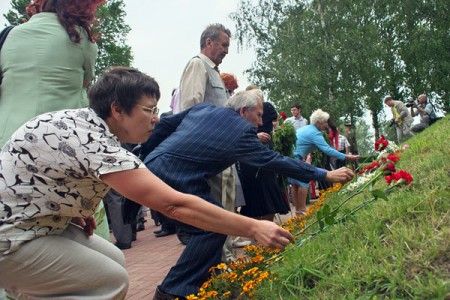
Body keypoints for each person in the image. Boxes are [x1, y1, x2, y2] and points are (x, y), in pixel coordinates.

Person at [0, 67, 295, 299]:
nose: (155, 119)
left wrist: (70, 211)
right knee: (108, 282)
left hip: (34, 224)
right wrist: (254, 227)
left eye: (156, 110)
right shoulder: (96, 142)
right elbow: (174, 204)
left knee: (114, 259)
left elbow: (41, 169)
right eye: (148, 110)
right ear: (117, 109)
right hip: (11, 239)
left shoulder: (79, 123)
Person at [137, 90, 355, 299]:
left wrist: (145, 159)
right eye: (258, 115)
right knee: (213, 226)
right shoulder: (242, 132)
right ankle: (172, 292)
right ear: (243, 111)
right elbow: (275, 161)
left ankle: (203, 285)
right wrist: (324, 174)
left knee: (214, 225)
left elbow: (163, 126)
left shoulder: (203, 109)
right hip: (177, 176)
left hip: (154, 168)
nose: (261, 122)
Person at [0, 0, 100, 147]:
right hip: (57, 140)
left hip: (7, 136)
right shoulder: (83, 40)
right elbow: (85, 82)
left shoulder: (10, 35)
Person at [177, 24, 237, 256]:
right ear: (209, 42)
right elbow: (191, 107)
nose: (226, 51)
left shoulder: (214, 72)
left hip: (224, 151)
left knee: (227, 205)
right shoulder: (197, 65)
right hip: (211, 151)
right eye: (224, 45)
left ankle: (228, 260)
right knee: (217, 209)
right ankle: (221, 267)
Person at [289, 109, 359, 216]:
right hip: (296, 158)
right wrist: (347, 157)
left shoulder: (306, 128)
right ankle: (302, 211)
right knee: (304, 181)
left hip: (290, 157)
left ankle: (298, 212)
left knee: (294, 184)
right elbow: (327, 150)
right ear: (318, 122)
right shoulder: (315, 133)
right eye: (325, 122)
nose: (326, 125)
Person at [239, 87, 290, 222]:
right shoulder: (260, 108)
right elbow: (276, 119)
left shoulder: (256, 108)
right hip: (255, 152)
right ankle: (262, 227)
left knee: (260, 186)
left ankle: (261, 227)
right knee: (263, 186)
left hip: (254, 153)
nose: (260, 121)